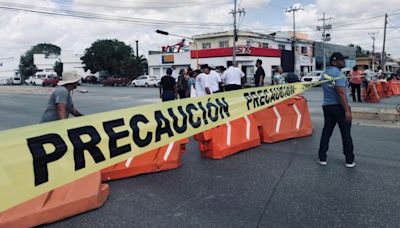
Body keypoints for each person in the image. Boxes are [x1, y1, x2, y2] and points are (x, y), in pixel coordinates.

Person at [318, 52, 355, 168]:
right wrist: (347, 110)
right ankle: (349, 160)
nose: (343, 62)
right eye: (341, 60)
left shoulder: (324, 73)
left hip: (327, 106)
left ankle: (322, 157)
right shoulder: (338, 74)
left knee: (327, 132)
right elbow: (340, 93)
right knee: (346, 133)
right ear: (334, 61)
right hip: (339, 107)